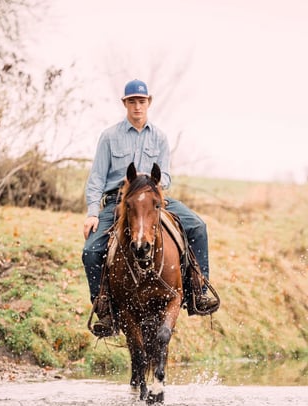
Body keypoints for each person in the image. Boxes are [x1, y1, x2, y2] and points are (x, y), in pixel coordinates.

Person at [82, 79, 217, 337]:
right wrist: (91, 212)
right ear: (125, 104)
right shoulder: (109, 137)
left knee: (198, 226)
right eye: (131, 101)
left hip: (154, 201)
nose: (137, 106)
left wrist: (148, 185)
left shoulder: (160, 138)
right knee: (90, 251)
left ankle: (199, 291)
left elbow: (165, 176)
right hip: (119, 201)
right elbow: (97, 178)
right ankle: (105, 309)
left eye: (141, 101)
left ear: (148, 103)